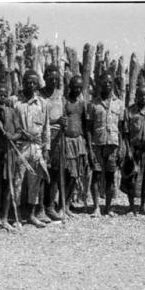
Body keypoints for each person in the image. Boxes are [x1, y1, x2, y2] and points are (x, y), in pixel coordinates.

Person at [13, 70, 51, 228]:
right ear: (23, 83)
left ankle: (31, 214)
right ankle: (16, 216)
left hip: (36, 147)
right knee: (17, 182)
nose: (31, 85)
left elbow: (46, 128)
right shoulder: (15, 102)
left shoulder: (42, 103)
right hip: (20, 146)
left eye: (34, 82)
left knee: (34, 181)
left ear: (37, 84)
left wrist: (46, 148)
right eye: (28, 82)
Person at [87, 72, 125, 217]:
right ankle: (96, 207)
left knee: (110, 176)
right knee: (96, 175)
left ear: (113, 84)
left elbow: (122, 128)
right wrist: (90, 148)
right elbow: (89, 128)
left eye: (109, 82)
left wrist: (121, 147)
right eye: (104, 82)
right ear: (99, 84)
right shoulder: (93, 104)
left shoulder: (119, 104)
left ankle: (108, 208)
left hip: (113, 145)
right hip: (97, 144)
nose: (107, 85)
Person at [120, 86, 145, 216]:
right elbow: (125, 133)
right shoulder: (129, 111)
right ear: (136, 95)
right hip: (133, 149)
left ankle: (143, 206)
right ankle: (131, 206)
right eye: (140, 95)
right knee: (131, 177)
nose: (143, 98)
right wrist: (128, 151)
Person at [0, 84, 22, 231]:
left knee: (8, 186)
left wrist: (12, 136)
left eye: (4, 95)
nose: (2, 98)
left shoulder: (13, 112)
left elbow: (20, 131)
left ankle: (4, 217)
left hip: (10, 153)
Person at [60, 76, 89, 216]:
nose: (77, 90)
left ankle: (66, 204)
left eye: (80, 87)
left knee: (75, 175)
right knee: (67, 174)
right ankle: (61, 205)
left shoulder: (82, 103)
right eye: (75, 87)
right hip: (66, 141)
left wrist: (85, 142)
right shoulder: (63, 101)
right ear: (70, 86)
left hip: (78, 141)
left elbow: (84, 123)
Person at [40, 64, 66, 222]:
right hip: (43, 135)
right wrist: (55, 120)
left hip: (58, 136)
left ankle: (50, 205)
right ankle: (39, 207)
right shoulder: (39, 95)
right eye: (51, 78)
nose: (54, 81)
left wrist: (63, 122)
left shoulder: (60, 95)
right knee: (42, 172)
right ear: (45, 77)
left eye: (57, 79)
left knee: (55, 172)